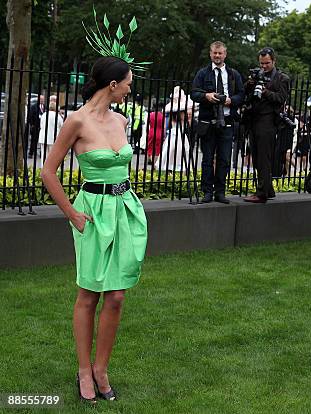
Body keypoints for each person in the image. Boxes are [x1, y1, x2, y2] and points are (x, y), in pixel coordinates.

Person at [41, 56, 148, 404]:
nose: (131, 89)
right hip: (92, 211)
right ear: (113, 84)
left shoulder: (122, 119)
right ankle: (84, 370)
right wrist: (71, 212)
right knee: (89, 294)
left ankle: (102, 369)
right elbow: (48, 171)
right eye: (129, 82)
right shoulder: (76, 121)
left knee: (116, 296)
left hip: (124, 209)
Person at [191, 41, 245, 204]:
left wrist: (230, 100)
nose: (217, 56)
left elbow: (241, 96)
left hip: (227, 121)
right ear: (210, 54)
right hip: (208, 121)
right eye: (214, 53)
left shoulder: (233, 74)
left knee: (224, 159)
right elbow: (194, 93)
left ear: (225, 54)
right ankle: (207, 192)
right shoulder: (202, 73)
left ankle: (220, 192)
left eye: (220, 53)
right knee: (207, 158)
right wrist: (206, 96)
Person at [243, 47, 290, 203]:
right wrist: (250, 84)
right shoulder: (256, 75)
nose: (264, 66)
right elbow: (247, 96)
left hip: (269, 120)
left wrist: (265, 92)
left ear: (274, 61)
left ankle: (262, 193)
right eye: (261, 63)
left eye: (267, 63)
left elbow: (281, 98)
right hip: (254, 118)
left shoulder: (282, 78)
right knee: (256, 156)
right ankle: (268, 190)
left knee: (264, 157)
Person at [160, 86, 192, 172]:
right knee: (177, 153)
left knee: (173, 153)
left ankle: (173, 168)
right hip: (176, 135)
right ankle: (177, 167)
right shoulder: (178, 115)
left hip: (175, 135)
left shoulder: (172, 114)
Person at [38, 99, 64, 169]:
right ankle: (54, 169)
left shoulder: (44, 114)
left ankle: (43, 169)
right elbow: (62, 126)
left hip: (43, 137)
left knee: (44, 155)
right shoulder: (57, 116)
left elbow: (41, 125)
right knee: (54, 156)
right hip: (53, 138)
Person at [28, 93, 46, 159]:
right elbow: (30, 116)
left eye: (43, 99)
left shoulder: (45, 107)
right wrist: (32, 124)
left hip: (42, 127)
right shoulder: (33, 106)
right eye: (41, 99)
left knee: (42, 140)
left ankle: (41, 153)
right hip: (35, 125)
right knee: (33, 140)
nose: (42, 100)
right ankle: (31, 153)